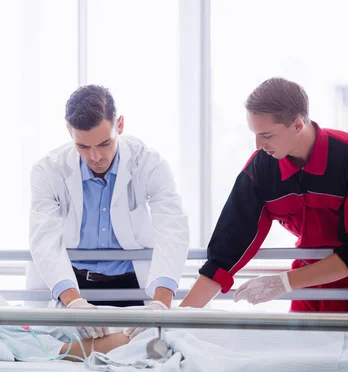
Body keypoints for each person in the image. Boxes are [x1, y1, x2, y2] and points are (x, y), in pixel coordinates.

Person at [29, 84, 190, 340]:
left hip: (131, 284)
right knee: (68, 353)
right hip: (73, 285)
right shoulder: (47, 170)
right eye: (82, 146)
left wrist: (160, 304)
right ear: (69, 131)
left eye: (105, 143)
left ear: (121, 125)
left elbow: (172, 228)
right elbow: (44, 239)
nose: (95, 157)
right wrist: (74, 303)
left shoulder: (149, 163)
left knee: (149, 350)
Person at [180, 77, 348, 312]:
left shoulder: (344, 158)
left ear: (297, 124)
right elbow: (225, 254)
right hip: (308, 288)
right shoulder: (261, 169)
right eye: (255, 134)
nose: (258, 145)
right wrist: (172, 319)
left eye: (267, 135)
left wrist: (284, 282)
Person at [0, 271, 131, 361]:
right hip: (118, 339)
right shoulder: (6, 335)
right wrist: (132, 335)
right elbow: (71, 351)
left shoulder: (10, 314)